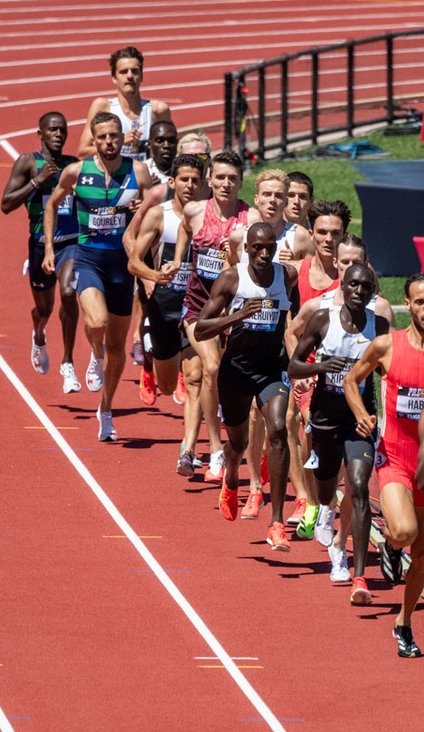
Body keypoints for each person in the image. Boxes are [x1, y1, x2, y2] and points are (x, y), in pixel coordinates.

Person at [343, 272, 424, 659]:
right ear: (409, 305)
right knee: (405, 530)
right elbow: (351, 381)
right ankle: (392, 543)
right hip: (394, 459)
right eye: (420, 302)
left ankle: (403, 621)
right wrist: (361, 415)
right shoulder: (387, 346)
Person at [45, 111, 152, 441]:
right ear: (93, 139)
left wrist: (142, 210)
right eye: (102, 137)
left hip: (122, 264)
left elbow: (153, 212)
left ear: (122, 138)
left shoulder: (137, 171)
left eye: (114, 136)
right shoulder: (77, 172)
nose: (109, 142)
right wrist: (49, 249)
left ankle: (105, 409)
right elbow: (52, 205)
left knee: (118, 347)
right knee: (97, 323)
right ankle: (94, 353)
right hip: (88, 259)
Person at [195, 222, 299, 551]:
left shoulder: (287, 276)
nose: (264, 254)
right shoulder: (232, 279)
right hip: (236, 371)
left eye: (269, 248)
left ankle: (277, 522)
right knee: (238, 444)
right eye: (257, 248)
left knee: (279, 429)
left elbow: (292, 317)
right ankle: (230, 471)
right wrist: (236, 317)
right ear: (246, 249)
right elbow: (200, 329)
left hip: (271, 368)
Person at [289, 264, 386, 603]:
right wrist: (320, 367)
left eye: (366, 286)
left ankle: (359, 575)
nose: (359, 291)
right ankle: (326, 511)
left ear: (373, 291)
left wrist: (381, 421)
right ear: (342, 287)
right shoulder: (322, 319)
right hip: (325, 417)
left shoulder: (380, 326)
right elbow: (294, 365)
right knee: (328, 484)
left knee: (358, 487)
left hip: (360, 420)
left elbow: (389, 374)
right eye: (353, 285)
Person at [173, 151, 250, 480]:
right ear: (210, 180)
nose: (226, 183)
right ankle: (214, 449)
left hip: (234, 311)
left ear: (241, 182)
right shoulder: (194, 211)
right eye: (220, 177)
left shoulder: (250, 217)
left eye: (232, 178)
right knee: (211, 366)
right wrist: (178, 262)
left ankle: (189, 448)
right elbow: (183, 230)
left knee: (210, 379)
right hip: (197, 308)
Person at [127, 153, 204, 465]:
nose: (189, 185)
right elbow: (134, 261)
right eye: (184, 179)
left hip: (196, 309)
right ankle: (149, 356)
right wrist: (154, 276)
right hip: (163, 307)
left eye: (196, 180)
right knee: (168, 385)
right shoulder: (159, 216)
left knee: (196, 377)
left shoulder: (207, 215)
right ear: (172, 182)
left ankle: (187, 450)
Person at [0, 111, 81, 390]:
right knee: (44, 309)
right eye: (53, 130)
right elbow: (6, 204)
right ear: (41, 134)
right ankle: (38, 334)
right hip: (39, 245)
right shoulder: (27, 162)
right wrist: (37, 181)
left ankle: (68, 362)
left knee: (69, 292)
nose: (59, 135)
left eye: (63, 130)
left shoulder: (73, 165)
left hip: (70, 242)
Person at [289, 199, 350, 534]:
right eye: (322, 232)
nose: (328, 238)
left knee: (342, 445)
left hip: (349, 374)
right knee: (311, 429)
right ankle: (317, 505)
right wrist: (296, 370)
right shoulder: (298, 271)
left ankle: (325, 496)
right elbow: (291, 327)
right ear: (311, 234)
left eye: (335, 233)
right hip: (311, 373)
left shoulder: (357, 277)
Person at [131, 119, 180, 404]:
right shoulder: (145, 174)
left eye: (170, 140)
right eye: (159, 140)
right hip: (148, 252)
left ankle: (184, 369)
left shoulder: (188, 174)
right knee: (147, 303)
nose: (165, 145)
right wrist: (145, 274)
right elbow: (130, 235)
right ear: (149, 143)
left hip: (177, 257)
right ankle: (146, 360)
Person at [78, 46, 171, 162]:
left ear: (141, 76)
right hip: (114, 177)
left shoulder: (157, 110)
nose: (130, 76)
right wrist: (119, 142)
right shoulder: (103, 107)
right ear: (114, 78)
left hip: (148, 178)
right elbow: (82, 153)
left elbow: (172, 148)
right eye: (123, 72)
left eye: (135, 71)